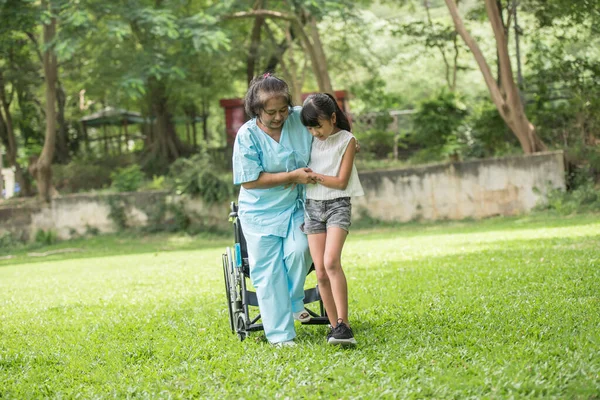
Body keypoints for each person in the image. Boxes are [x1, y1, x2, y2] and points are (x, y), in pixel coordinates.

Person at [232, 73, 317, 347]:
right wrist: (292, 176)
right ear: (256, 110)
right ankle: (281, 337)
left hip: (296, 206)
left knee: (300, 250)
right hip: (259, 213)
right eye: (271, 112)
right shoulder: (247, 135)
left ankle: (293, 300)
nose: (279, 116)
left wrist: (347, 141)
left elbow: (330, 124)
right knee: (268, 272)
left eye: (283, 109)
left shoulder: (301, 117)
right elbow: (250, 179)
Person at [300, 93, 364, 345]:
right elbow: (295, 112)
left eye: (319, 125)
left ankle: (344, 324)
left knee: (331, 262)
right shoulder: (308, 139)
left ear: (333, 117)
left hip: (338, 205)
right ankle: (333, 325)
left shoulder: (347, 140)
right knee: (321, 273)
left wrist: (312, 176)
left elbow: (340, 182)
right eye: (310, 127)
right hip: (312, 206)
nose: (315, 132)